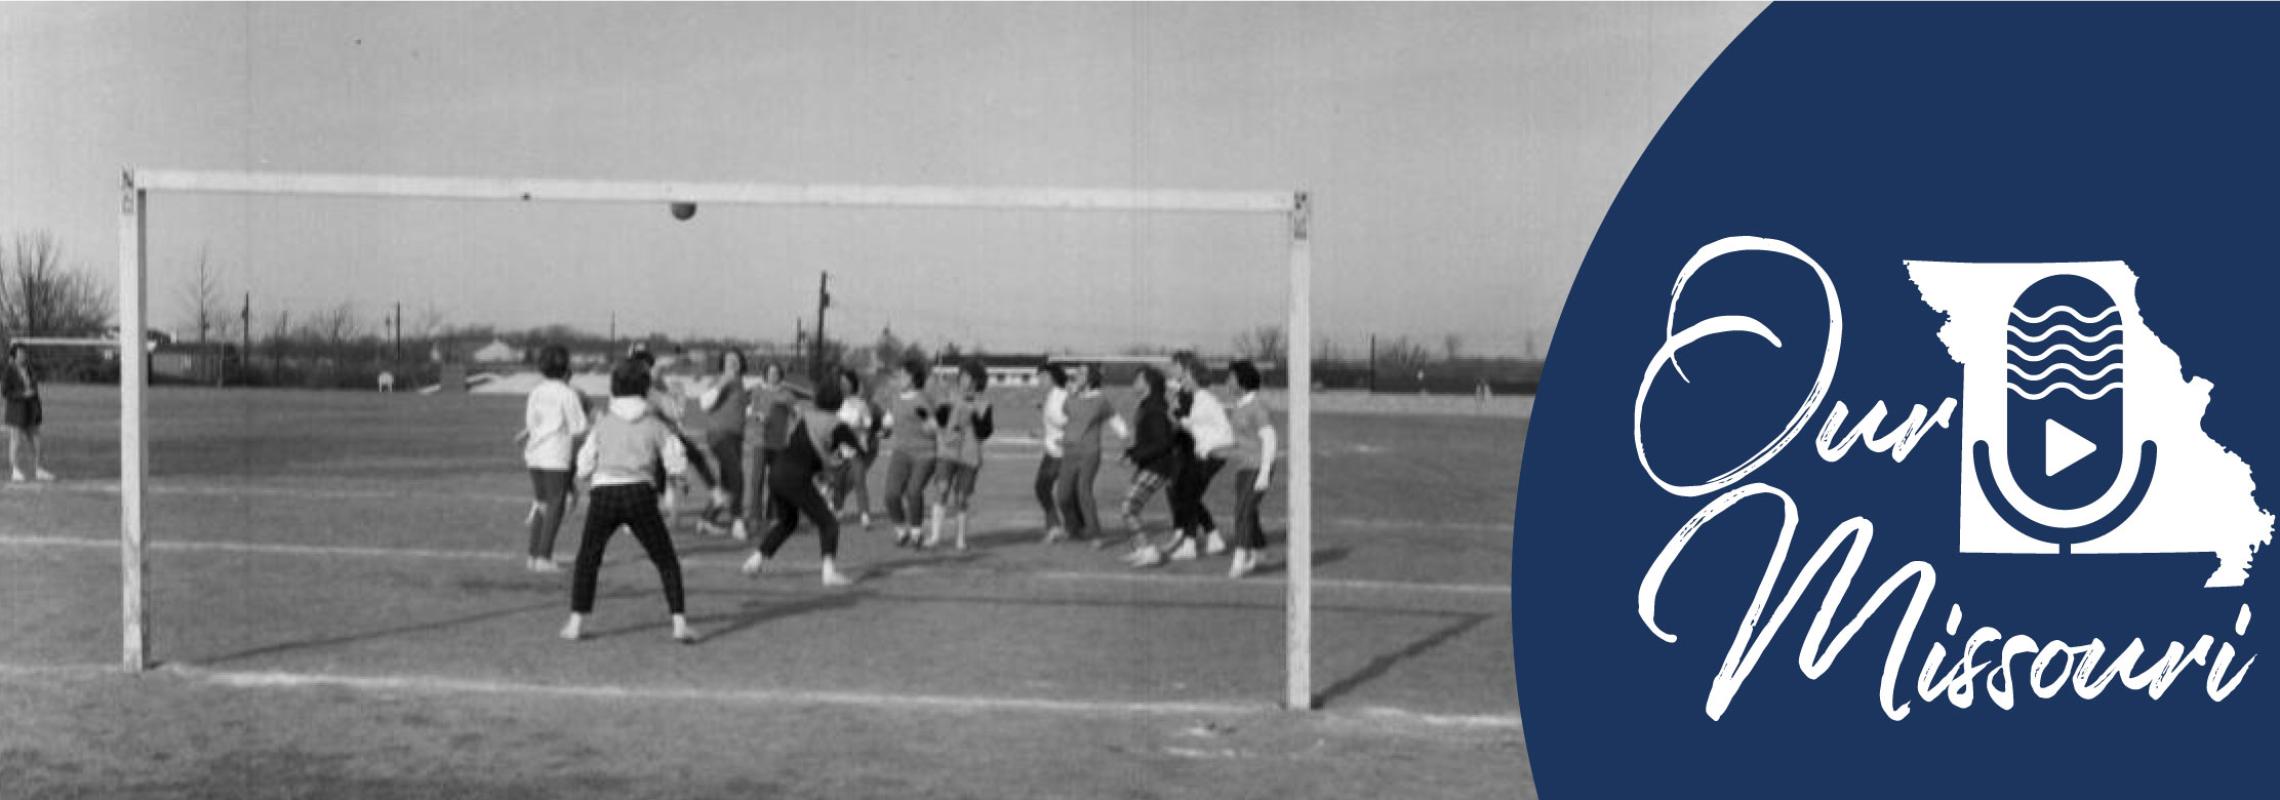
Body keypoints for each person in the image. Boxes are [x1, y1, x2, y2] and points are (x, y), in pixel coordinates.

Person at [560, 359, 698, 644]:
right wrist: (680, 478)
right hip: (640, 494)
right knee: (665, 559)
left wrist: (585, 476)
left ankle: (575, 622)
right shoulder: (654, 424)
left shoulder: (604, 423)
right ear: (645, 389)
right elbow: (675, 454)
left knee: (588, 558)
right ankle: (679, 623)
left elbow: (585, 461)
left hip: (604, 494)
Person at [740, 381, 861, 586]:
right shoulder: (836, 425)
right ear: (839, 403)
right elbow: (855, 449)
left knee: (788, 522)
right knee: (828, 523)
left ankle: (755, 561)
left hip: (777, 472)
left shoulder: (807, 417)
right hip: (795, 477)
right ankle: (829, 574)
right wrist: (872, 436)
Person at [629, 348, 723, 528]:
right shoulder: (643, 384)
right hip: (654, 435)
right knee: (660, 473)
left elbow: (665, 380)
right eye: (646, 366)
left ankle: (669, 511)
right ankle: (651, 513)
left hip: (664, 434)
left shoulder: (649, 381)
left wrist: (689, 367)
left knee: (672, 469)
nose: (649, 369)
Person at [514, 345, 587, 573]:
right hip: (555, 454)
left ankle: (533, 555)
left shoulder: (536, 391)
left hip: (534, 453)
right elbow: (579, 427)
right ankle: (544, 556)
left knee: (541, 503)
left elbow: (531, 422)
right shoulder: (567, 393)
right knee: (556, 503)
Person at [1162, 352, 1233, 561]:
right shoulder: (1202, 398)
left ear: (1194, 378)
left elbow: (1187, 425)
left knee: (1187, 495)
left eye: (1185, 377)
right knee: (1188, 494)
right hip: (1209, 453)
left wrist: (1173, 413)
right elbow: (1191, 426)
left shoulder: (1203, 400)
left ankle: (1190, 545)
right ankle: (1213, 539)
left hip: (1213, 453)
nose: (1182, 380)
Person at [1049, 363, 1128, 545]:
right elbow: (1063, 418)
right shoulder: (1072, 398)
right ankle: (1073, 529)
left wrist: (1125, 440)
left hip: (1089, 453)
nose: (1077, 375)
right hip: (1069, 452)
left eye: (1082, 373)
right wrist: (1070, 396)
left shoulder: (1100, 400)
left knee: (1083, 491)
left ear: (1091, 378)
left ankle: (1096, 534)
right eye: (1077, 372)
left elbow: (1115, 420)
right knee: (1063, 495)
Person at [1116, 366, 1182, 567]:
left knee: (1129, 507)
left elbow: (1163, 442)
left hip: (1157, 466)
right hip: (1149, 464)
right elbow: (1149, 440)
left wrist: (1135, 455)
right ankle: (1141, 549)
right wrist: (1130, 453)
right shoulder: (1147, 405)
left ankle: (1148, 551)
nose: (1134, 383)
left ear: (1148, 384)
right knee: (1129, 508)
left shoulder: (1154, 409)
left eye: (1138, 379)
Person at [927, 360, 994, 550]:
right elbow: (940, 420)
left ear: (977, 380)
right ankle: (935, 537)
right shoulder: (951, 397)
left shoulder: (985, 404)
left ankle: (960, 539)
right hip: (948, 451)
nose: (964, 380)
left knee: (962, 497)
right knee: (942, 488)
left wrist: (973, 415)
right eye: (962, 376)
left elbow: (985, 432)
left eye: (968, 377)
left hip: (970, 455)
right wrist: (942, 404)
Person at [1223, 360, 1279, 579]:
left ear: (1242, 381)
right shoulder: (1238, 407)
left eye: (1230, 378)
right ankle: (1260, 551)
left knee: (1243, 512)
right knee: (1249, 511)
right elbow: (1237, 441)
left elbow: (1270, 440)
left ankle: (1240, 558)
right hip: (1244, 467)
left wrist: (1265, 472)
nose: (1227, 382)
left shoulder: (1257, 407)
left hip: (1257, 466)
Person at [878, 359, 940, 547]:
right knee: (891, 494)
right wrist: (883, 430)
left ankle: (916, 533)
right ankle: (901, 531)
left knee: (914, 491)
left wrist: (926, 422)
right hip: (902, 453)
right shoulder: (895, 399)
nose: (900, 379)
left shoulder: (922, 400)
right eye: (899, 375)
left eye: (904, 375)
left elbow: (933, 429)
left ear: (914, 379)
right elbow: (888, 423)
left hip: (925, 453)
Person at [694, 350, 751, 536]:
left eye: (736, 360)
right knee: (736, 475)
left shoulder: (740, 384)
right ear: (722, 364)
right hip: (720, 436)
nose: (732, 364)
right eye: (728, 361)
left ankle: (706, 519)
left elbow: (739, 409)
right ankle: (738, 521)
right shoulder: (720, 380)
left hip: (736, 437)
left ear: (742, 363)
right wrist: (722, 383)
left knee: (728, 482)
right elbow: (704, 405)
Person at [738, 362, 797, 540]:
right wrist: (755, 415)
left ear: (780, 375)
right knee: (757, 479)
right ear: (765, 374)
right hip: (760, 441)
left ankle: (773, 516)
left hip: (779, 443)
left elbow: (796, 413)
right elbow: (745, 407)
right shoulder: (756, 391)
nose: (773, 376)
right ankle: (755, 516)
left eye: (776, 373)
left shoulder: (786, 394)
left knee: (775, 481)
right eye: (770, 373)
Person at [827, 368, 880, 530]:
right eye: (841, 383)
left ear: (853, 385)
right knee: (838, 482)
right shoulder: (836, 403)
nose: (844, 386)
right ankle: (837, 512)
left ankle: (864, 516)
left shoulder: (861, 404)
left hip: (856, 449)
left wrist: (858, 431)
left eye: (847, 383)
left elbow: (868, 424)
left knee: (859, 481)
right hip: (840, 450)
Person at [2, 344, 54, 482]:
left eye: (24, 353)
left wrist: (36, 406)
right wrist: (22, 394)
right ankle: (15, 470)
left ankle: (39, 469)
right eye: (20, 353)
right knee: (16, 441)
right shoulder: (9, 371)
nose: (23, 356)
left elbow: (33, 388)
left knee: (37, 441)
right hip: (16, 411)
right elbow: (5, 392)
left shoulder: (29, 369)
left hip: (31, 410)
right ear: (14, 356)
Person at [1032, 364, 1070, 541]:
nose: (1039, 381)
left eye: (1043, 377)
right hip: (1052, 450)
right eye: (1039, 377)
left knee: (1049, 489)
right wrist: (1043, 433)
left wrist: (1067, 437)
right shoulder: (1050, 397)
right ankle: (1055, 526)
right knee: (1042, 488)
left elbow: (1074, 419)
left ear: (1053, 378)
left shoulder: (1063, 396)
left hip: (1062, 451)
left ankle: (1064, 527)